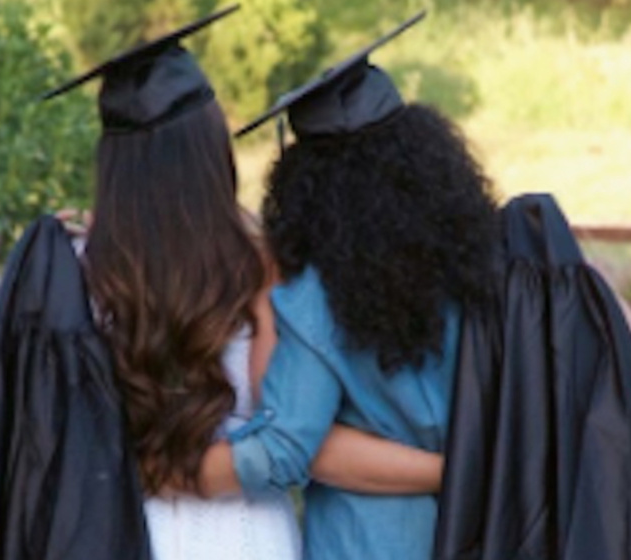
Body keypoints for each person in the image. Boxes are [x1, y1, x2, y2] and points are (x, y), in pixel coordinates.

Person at [49, 7, 446, 560]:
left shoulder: (73, 268)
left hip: (120, 529)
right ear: (214, 151)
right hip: (246, 533)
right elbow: (283, 427)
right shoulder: (260, 265)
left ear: (112, 163)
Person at [183, 13, 502, 560]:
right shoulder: (489, 262)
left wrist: (177, 473)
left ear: (304, 187)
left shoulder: (318, 298)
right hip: (491, 529)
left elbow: (285, 445)